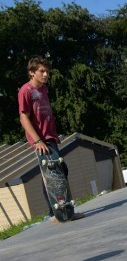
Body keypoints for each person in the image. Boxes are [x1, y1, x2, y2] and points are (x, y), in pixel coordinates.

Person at [18, 56, 84, 222]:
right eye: (42, 71)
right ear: (32, 72)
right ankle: (56, 213)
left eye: (47, 71)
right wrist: (38, 140)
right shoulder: (26, 90)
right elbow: (23, 117)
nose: (46, 74)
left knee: (56, 172)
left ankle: (58, 212)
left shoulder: (44, 90)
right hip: (41, 140)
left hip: (50, 137)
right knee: (52, 173)